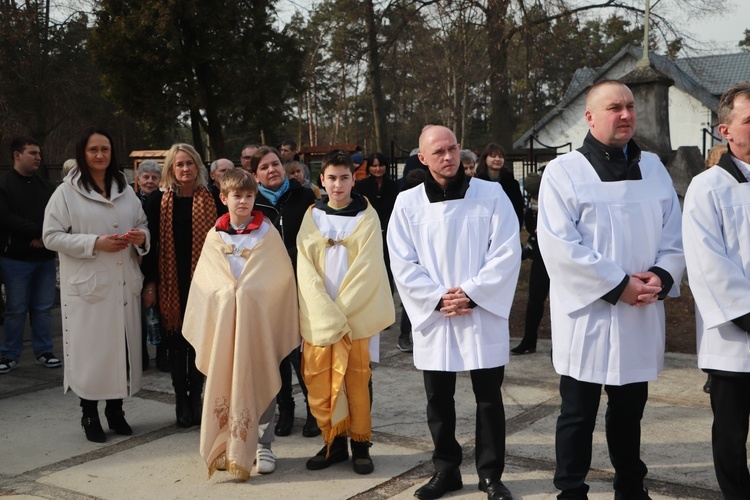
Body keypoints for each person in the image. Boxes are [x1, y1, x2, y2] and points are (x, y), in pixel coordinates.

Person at [537, 80, 685, 499]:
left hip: (640, 310)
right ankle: (570, 489)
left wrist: (661, 273)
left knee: (629, 411)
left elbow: (673, 233)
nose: (625, 115)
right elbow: (559, 245)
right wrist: (618, 285)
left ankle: (630, 486)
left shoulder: (654, 167)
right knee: (577, 412)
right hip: (590, 315)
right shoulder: (563, 171)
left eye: (630, 107)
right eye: (614, 107)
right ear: (589, 117)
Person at [388, 125, 521, 500]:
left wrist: (473, 293)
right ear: (422, 157)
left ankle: (490, 474)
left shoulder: (491, 194)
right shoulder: (408, 203)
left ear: (461, 150)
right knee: (438, 399)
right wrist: (436, 298)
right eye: (438, 152)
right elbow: (401, 259)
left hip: (481, 312)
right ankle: (446, 469)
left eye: (452, 149)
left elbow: (507, 250)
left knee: (489, 398)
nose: (447, 158)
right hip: (437, 314)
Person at [182, 169, 300, 479]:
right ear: (224, 198)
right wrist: (226, 293)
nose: (244, 201)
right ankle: (223, 446)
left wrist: (250, 293)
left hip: (256, 325)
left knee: (260, 379)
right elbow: (204, 284)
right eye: (237, 196)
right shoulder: (214, 236)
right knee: (222, 382)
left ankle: (264, 445)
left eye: (249, 196)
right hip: (224, 327)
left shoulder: (267, 233)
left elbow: (282, 280)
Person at [42, 127, 149, 442]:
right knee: (93, 355)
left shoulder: (124, 188)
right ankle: (89, 414)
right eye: (93, 150)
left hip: (121, 285)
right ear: (82, 153)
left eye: (105, 149)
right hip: (90, 289)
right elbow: (51, 236)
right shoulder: (66, 192)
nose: (100, 155)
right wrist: (95, 243)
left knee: (120, 352)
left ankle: (115, 411)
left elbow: (141, 222)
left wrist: (142, 238)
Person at [297, 149, 395, 475]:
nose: (337, 185)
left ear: (354, 179)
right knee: (322, 378)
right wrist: (324, 310)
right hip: (321, 314)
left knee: (357, 378)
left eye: (344, 178)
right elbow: (305, 268)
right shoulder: (312, 216)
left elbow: (368, 269)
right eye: (331, 178)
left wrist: (341, 312)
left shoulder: (367, 215)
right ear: (321, 181)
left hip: (356, 314)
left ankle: (360, 445)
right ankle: (333, 442)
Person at [682, 81, 750, 499]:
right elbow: (707, 264)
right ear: (726, 131)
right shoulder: (708, 188)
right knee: (730, 434)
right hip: (734, 338)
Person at [142, 143, 219, 428]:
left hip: (205, 283)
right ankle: (180, 400)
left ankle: (196, 396)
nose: (185, 168)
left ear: (197, 165)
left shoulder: (212, 199)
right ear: (171, 169)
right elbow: (150, 248)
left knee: (199, 342)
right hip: (170, 283)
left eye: (189, 163)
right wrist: (149, 283)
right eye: (179, 164)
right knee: (176, 343)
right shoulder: (157, 202)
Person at [249, 146, 319, 438]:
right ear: (256, 175)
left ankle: (314, 410)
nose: (272, 170)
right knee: (277, 353)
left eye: (275, 164)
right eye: (264, 167)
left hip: (303, 283)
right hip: (269, 288)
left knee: (302, 352)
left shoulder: (304, 195)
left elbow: (315, 237)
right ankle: (285, 408)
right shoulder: (253, 204)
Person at [0, 137, 61, 374]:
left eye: (39, 154)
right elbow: (4, 217)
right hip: (15, 259)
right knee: (16, 309)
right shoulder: (3, 184)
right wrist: (37, 232)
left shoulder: (47, 187)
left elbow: (56, 217)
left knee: (43, 308)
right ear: (17, 155)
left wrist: (45, 236)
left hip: (44, 258)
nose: (38, 157)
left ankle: (44, 351)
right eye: (33, 153)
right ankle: (9, 354)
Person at [131, 160, 167, 371]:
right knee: (137, 317)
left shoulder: (163, 200)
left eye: (154, 177)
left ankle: (163, 358)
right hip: (135, 259)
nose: (150, 181)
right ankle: (139, 360)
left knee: (159, 314)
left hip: (158, 260)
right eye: (146, 177)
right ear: (138, 179)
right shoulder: (131, 200)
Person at [511, 167, 549, 355]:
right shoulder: (532, 210)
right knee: (534, 299)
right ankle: (528, 340)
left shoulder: (558, 201)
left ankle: (561, 343)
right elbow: (531, 228)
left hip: (559, 257)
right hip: (541, 257)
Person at [476, 143, 524, 227]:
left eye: (501, 156)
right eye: (493, 156)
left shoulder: (512, 183)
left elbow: (518, 209)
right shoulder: (478, 182)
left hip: (507, 226)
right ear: (485, 159)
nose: (497, 159)